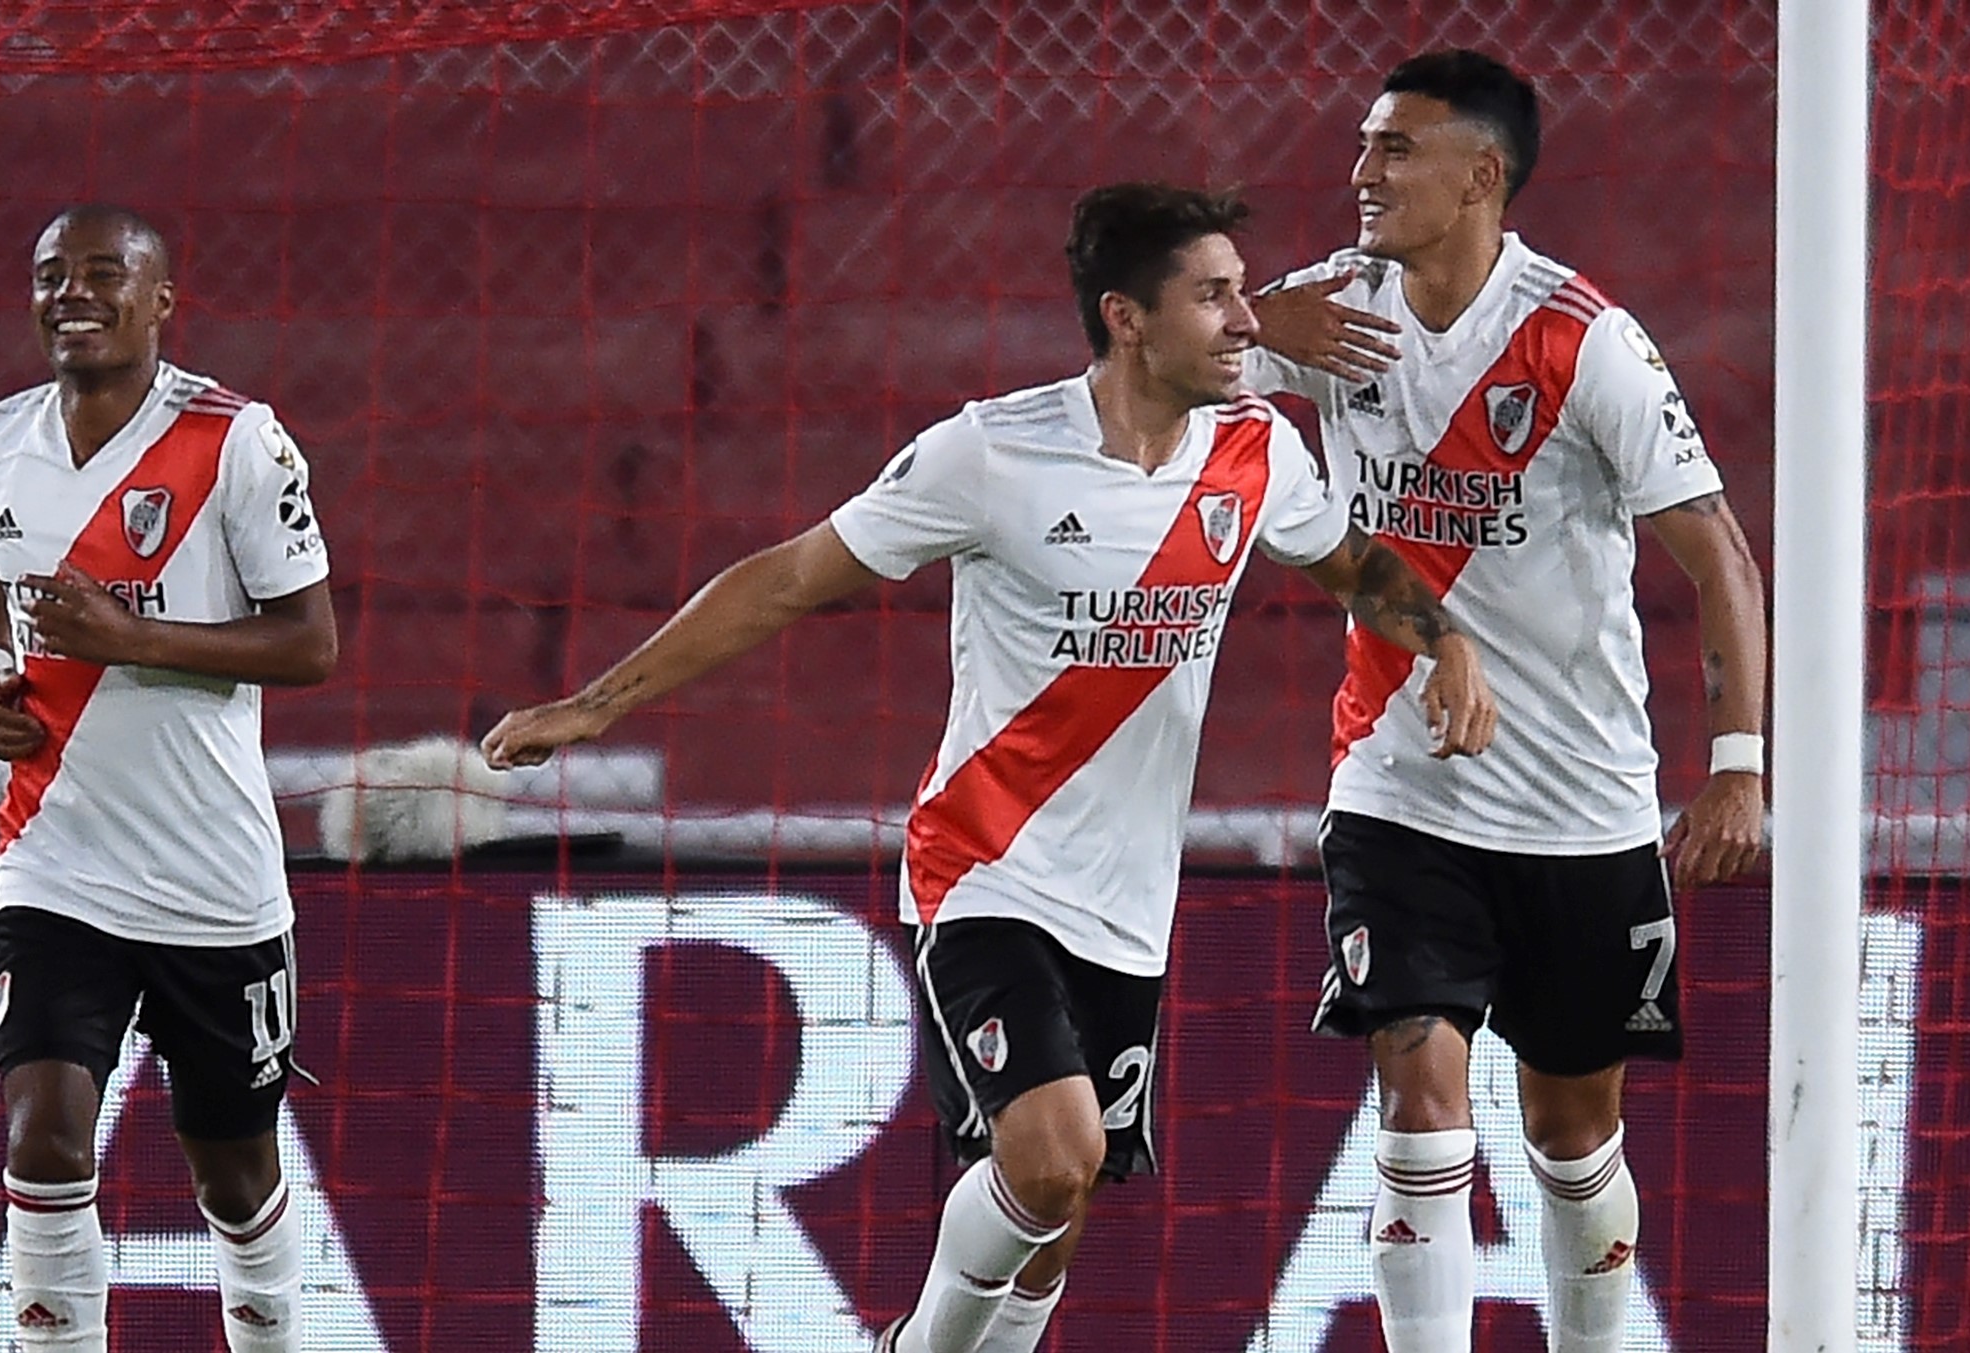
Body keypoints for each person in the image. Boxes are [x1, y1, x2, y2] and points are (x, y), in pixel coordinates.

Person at [481, 182, 1497, 1353]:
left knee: (1053, 1219)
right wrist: (597, 702)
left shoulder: (1256, 451)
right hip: (985, 866)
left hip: (1127, 906)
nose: (1246, 321)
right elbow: (790, 577)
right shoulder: (992, 452)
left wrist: (1448, 642)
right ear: (1126, 317)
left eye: (1240, 291)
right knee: (1052, 1156)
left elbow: (1356, 569)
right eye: (1213, 297)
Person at [1244, 50, 1769, 1353]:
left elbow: (1719, 554)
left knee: (1571, 1138)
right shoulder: (1324, 311)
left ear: (1484, 174)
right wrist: (1251, 322)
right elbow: (1143, 374)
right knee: (1420, 1102)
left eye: (1395, 150)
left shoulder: (1582, 341)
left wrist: (1742, 764)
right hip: (1397, 783)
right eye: (1364, 147)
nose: (1362, 172)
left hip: (1580, 804)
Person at [0, 205, 338, 1352]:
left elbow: (310, 646)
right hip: (56, 859)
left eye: (105, 274)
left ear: (162, 301)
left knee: (230, 1174)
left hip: (214, 881)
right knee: (45, 1143)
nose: (73, 293)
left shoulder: (237, 443)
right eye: (50, 275)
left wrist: (130, 637)